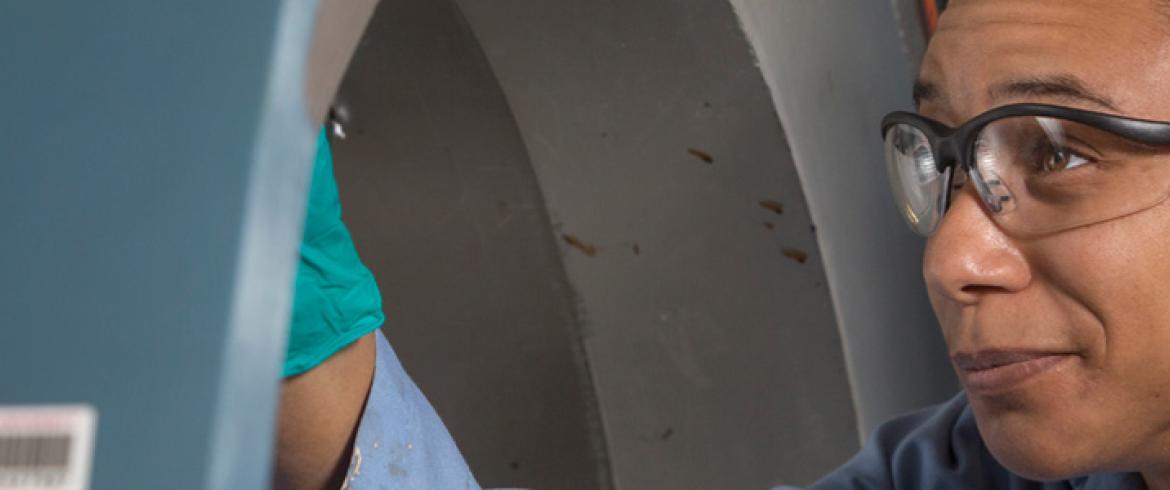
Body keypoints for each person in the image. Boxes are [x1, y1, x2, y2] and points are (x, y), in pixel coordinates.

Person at [277, 0, 1170, 488]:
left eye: (1058, 152)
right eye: (942, 154)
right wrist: (308, 347)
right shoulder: (958, 477)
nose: (950, 259)